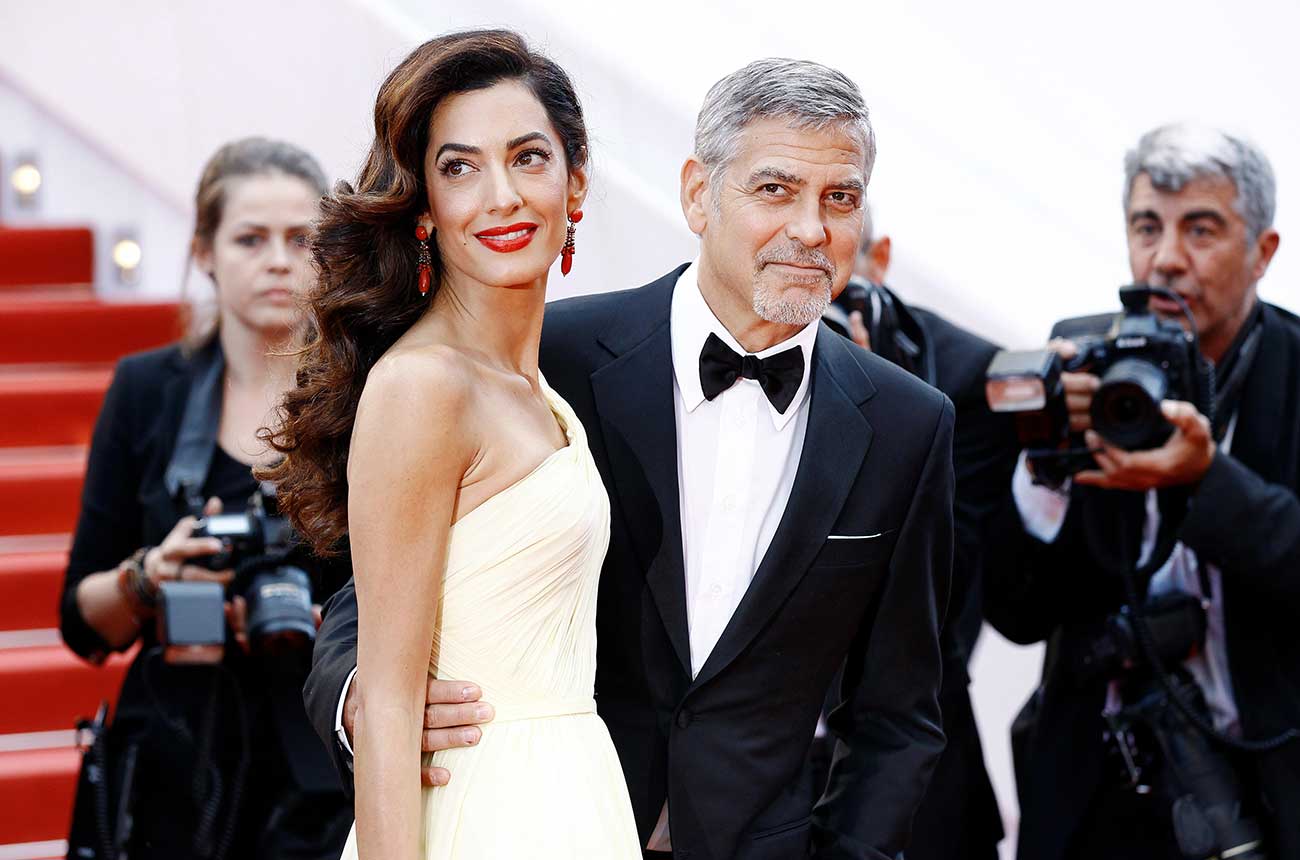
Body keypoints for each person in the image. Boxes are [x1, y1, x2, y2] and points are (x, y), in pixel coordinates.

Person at [307, 56, 956, 860]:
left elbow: (899, 712)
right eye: (774, 189)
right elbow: (370, 601)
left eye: (841, 198)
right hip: (527, 819)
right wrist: (363, 702)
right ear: (696, 193)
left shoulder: (907, 425)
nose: (810, 230)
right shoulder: (552, 360)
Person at [262, 31, 641, 860]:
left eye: (528, 158)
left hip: (575, 801)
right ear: (425, 207)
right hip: (480, 812)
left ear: (575, 183)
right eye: (460, 167)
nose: (501, 196)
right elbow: (391, 707)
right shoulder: (423, 386)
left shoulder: (535, 388)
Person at [984, 123, 1299, 859]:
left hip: (1264, 786)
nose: (1164, 260)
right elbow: (1014, 613)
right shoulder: (1084, 359)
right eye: (1146, 226)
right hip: (1093, 785)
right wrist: (1044, 467)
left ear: (1263, 252)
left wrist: (1204, 480)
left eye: (1201, 230)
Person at [59, 137, 352, 859]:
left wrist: (335, 629)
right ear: (205, 251)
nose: (278, 260)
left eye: (300, 239)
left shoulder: (365, 396)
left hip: (318, 767)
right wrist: (150, 576)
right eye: (250, 238)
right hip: (168, 760)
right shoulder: (145, 390)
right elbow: (82, 623)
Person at [815, 211, 1016, 860]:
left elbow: (948, 609)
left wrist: (878, 420)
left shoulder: (967, 376)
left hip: (917, 792)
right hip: (748, 781)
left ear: (881, 260)